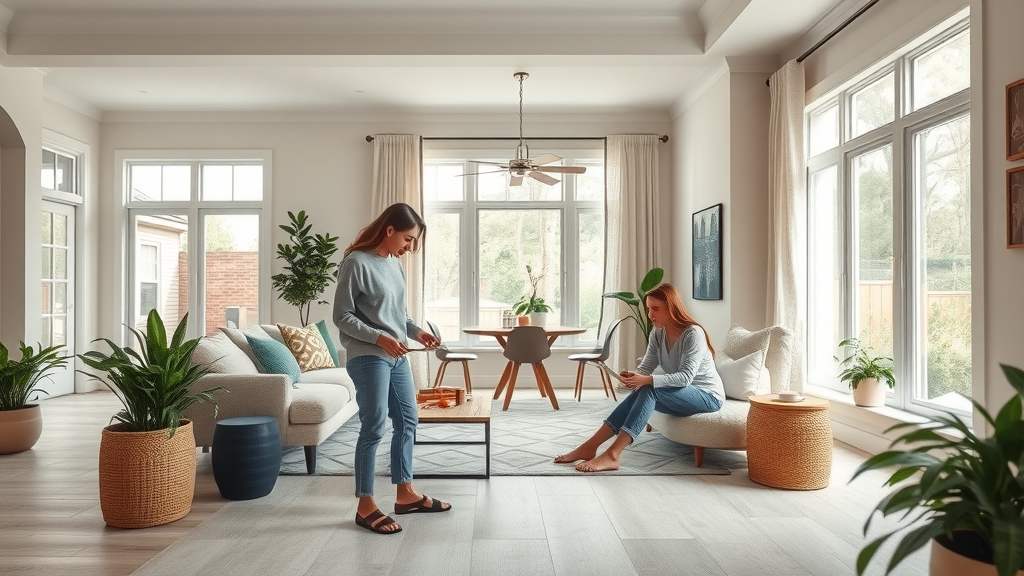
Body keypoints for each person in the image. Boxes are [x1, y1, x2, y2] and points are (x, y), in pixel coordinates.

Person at [333, 202, 449, 535]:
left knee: (409, 419)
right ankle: (365, 505)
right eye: (409, 239)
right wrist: (381, 338)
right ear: (389, 230)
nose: (410, 247)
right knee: (373, 426)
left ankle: (406, 494)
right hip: (368, 356)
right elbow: (342, 317)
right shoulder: (356, 263)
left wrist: (417, 332)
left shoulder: (394, 264)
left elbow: (399, 315)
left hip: (397, 355)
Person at [554, 283, 724, 472]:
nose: (650, 315)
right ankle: (590, 447)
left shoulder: (693, 334)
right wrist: (634, 377)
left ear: (672, 308)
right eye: (649, 308)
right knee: (645, 389)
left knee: (649, 388)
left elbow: (685, 378)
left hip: (707, 396)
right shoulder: (658, 332)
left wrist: (647, 380)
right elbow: (647, 366)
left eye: (656, 309)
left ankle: (613, 455)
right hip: (681, 395)